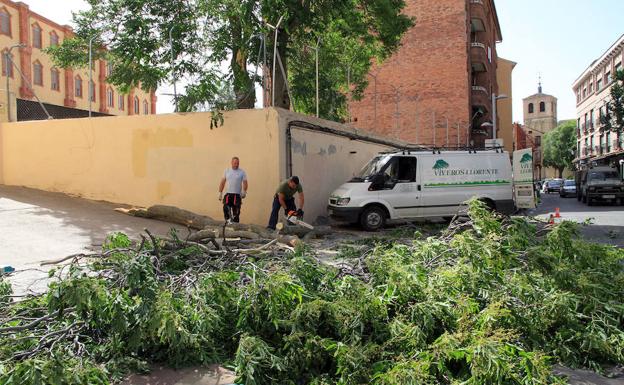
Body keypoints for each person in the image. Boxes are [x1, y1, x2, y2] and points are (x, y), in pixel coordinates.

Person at [218, 157, 248, 223]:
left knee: (236, 211)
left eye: (237, 163)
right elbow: (223, 182)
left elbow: (245, 182)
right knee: (226, 208)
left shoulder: (242, 172)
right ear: (231, 163)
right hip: (228, 194)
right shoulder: (227, 171)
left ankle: (235, 225)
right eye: (235, 163)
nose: (236, 164)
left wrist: (244, 191)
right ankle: (228, 222)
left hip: (237, 195)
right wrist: (220, 192)